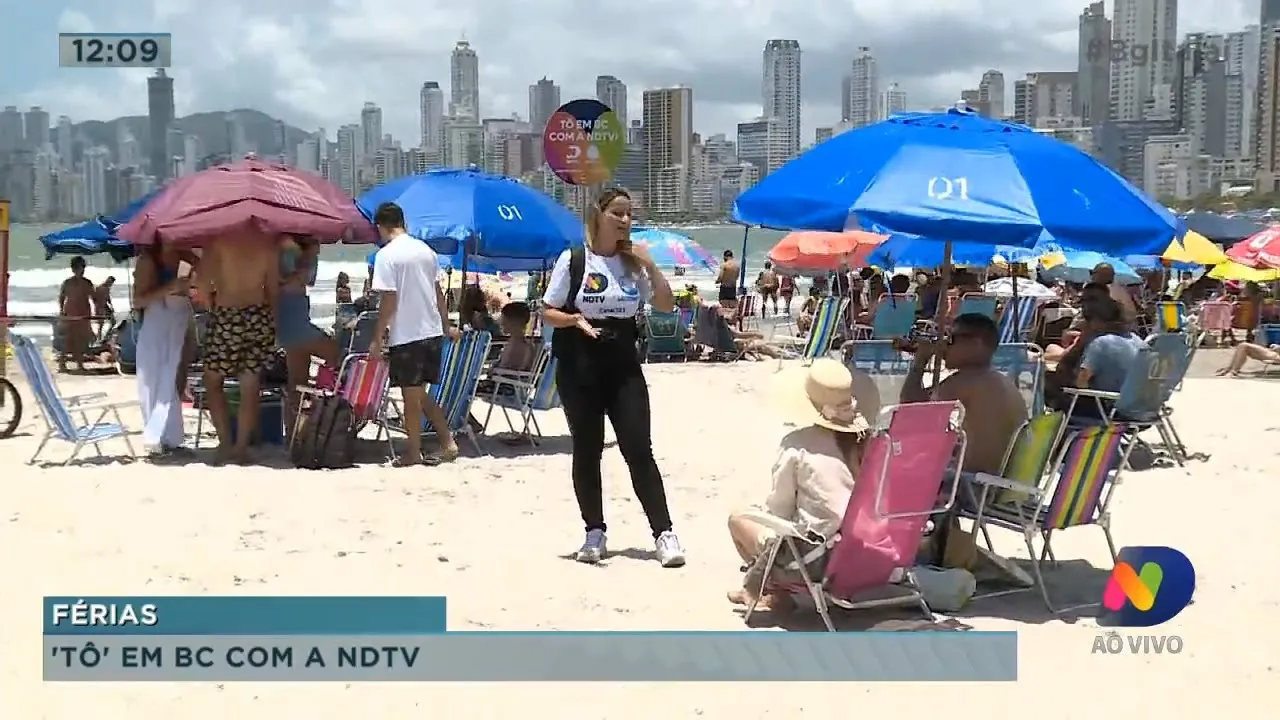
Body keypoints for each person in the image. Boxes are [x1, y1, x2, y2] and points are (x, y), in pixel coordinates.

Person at [541, 187, 685, 567]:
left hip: (623, 364)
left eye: (629, 214)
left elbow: (666, 307)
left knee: (639, 448)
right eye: (617, 213)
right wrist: (575, 320)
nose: (624, 220)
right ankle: (594, 532)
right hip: (579, 364)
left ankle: (664, 533)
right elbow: (547, 311)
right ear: (599, 215)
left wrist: (651, 266)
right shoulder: (575, 260)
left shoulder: (633, 264)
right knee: (587, 450)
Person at [726, 359, 879, 612]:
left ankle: (770, 593)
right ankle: (766, 590)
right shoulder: (871, 445)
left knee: (738, 518)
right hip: (866, 554)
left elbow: (779, 510)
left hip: (818, 561)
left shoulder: (798, 445)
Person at [368, 202, 461, 467]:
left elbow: (389, 299)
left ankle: (413, 452)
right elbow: (438, 293)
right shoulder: (426, 251)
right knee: (418, 393)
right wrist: (445, 325)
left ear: (380, 227)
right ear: (403, 222)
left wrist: (377, 336)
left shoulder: (387, 256)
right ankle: (447, 441)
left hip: (407, 333)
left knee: (411, 396)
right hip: (431, 332)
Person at [900, 313, 1026, 474]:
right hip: (996, 482)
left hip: (971, 487)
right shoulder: (997, 379)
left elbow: (909, 405)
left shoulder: (971, 379)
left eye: (951, 339)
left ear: (975, 344)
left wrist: (921, 360)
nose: (944, 345)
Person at [197, 238, 280, 465]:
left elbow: (202, 286)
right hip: (257, 313)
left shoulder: (217, 243)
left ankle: (226, 444)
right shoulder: (267, 245)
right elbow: (273, 290)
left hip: (227, 313)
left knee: (213, 380)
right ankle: (241, 447)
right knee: (250, 384)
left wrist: (212, 302)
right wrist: (269, 321)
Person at [277, 235, 340, 441]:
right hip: (291, 313)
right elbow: (293, 278)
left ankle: (294, 433)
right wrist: (309, 254)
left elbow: (308, 280)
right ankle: (331, 408)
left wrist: (311, 255)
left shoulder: (294, 248)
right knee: (337, 355)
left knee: (297, 381)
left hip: (293, 315)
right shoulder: (286, 247)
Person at [133, 245, 194, 457]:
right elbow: (138, 300)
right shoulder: (149, 260)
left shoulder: (184, 255)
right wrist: (170, 287)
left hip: (177, 323)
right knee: (152, 382)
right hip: (155, 324)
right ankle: (154, 438)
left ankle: (172, 439)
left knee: (172, 381)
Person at [1072, 298, 1145, 416]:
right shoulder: (1138, 340)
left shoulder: (1101, 343)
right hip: (1141, 409)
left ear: (1097, 321)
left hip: (1113, 410)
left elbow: (1081, 383)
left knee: (1055, 390)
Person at [58, 256, 96, 372]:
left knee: (81, 340)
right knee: (67, 340)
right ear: (74, 269)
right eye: (79, 268)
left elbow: (94, 298)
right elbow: (62, 297)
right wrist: (62, 311)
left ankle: (79, 364)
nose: (81, 270)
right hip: (70, 312)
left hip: (83, 313)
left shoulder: (87, 283)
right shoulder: (68, 282)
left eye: (83, 268)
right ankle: (62, 364)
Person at [1091, 263, 1138, 330]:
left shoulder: (1105, 291)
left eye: (1093, 273)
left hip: (1112, 331)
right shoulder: (1120, 290)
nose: (1091, 276)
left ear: (1101, 275)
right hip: (1125, 330)